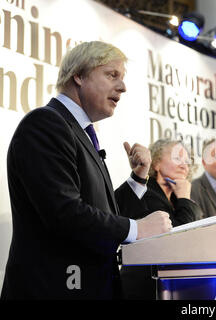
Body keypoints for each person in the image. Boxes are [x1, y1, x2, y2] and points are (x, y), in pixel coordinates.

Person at [1, 41, 172, 300]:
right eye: (112, 75)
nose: (123, 87)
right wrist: (137, 229)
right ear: (79, 75)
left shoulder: (78, 131)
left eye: (122, 78)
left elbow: (99, 213)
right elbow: (65, 213)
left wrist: (137, 180)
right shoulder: (46, 124)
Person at [115, 139, 203, 299]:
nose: (184, 165)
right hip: (144, 288)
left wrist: (183, 200)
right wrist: (184, 198)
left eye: (187, 161)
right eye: (177, 158)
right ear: (155, 163)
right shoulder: (143, 193)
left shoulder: (178, 200)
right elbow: (177, 240)